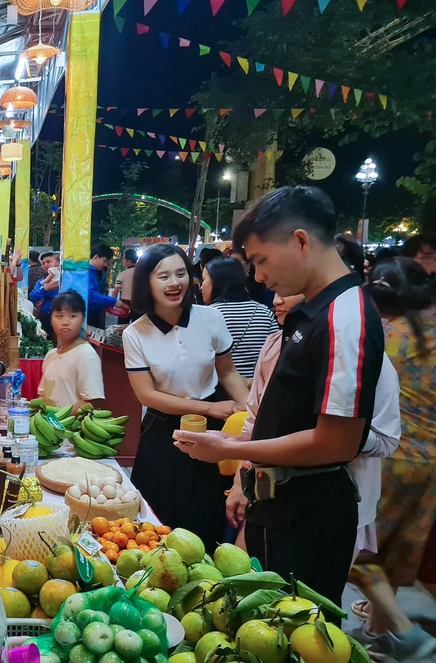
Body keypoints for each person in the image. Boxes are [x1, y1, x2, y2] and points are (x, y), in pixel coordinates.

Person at [174, 186, 384, 611]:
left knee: (298, 632)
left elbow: (337, 441)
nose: (258, 277)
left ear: (301, 241)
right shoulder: (313, 312)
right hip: (280, 505)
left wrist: (232, 449)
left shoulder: (346, 315)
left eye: (260, 260)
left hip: (311, 513)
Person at [226, 291, 400, 558]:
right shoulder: (274, 345)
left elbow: (387, 440)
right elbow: (254, 423)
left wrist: (330, 429)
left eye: (288, 288)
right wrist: (241, 481)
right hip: (268, 494)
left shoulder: (362, 355)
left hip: (333, 503)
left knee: (307, 595)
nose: (276, 299)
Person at [122, 243, 249, 549]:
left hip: (212, 434)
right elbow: (148, 395)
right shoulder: (135, 333)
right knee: (156, 524)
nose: (174, 283)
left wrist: (252, 419)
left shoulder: (211, 318)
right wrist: (209, 408)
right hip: (164, 435)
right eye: (163, 276)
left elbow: (229, 374)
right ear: (146, 283)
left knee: (206, 519)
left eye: (181, 273)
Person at [348, 257, 436, 660]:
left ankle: (402, 630)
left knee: (358, 546)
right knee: (399, 549)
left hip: (388, 457)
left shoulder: (380, 335)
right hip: (430, 462)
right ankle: (379, 626)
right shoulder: (430, 329)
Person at [200, 256, 279, 380]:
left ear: (217, 282)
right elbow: (276, 353)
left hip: (220, 389)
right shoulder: (264, 311)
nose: (201, 286)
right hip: (258, 388)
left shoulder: (207, 315)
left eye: (204, 279)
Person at [37, 291, 105, 412]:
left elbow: (91, 402)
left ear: (83, 320)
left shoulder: (86, 354)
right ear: (51, 319)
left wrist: (57, 419)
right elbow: (43, 396)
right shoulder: (51, 355)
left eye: (72, 316)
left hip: (73, 429)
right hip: (48, 428)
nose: (65, 322)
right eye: (59, 316)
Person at [30, 252, 60, 340]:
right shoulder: (41, 282)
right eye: (43, 263)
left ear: (57, 262)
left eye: (49, 262)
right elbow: (33, 297)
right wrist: (44, 289)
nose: (46, 265)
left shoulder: (65, 279)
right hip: (45, 316)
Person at [88, 243, 118, 328]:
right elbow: (90, 295)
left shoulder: (101, 272)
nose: (105, 264)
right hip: (87, 313)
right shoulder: (84, 272)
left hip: (98, 312)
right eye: (104, 261)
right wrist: (113, 301)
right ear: (96, 257)